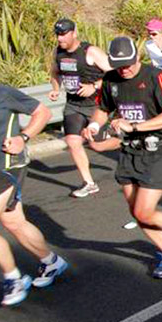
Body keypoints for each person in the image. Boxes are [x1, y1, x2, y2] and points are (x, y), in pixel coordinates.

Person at [82, 37, 162, 279]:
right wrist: (94, 126)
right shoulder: (111, 79)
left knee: (145, 211)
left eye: (128, 63)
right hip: (129, 150)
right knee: (135, 211)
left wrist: (136, 126)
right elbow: (103, 109)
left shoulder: (155, 76)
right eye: (119, 65)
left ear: (137, 57)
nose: (124, 69)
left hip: (160, 147)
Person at [0, 82, 68, 306]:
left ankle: (13, 279)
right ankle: (51, 262)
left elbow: (41, 112)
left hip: (6, 166)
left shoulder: (0, 93)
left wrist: (22, 138)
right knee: (14, 222)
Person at [48, 18, 112, 198]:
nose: (60, 39)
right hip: (73, 105)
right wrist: (55, 89)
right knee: (73, 141)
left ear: (74, 33)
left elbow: (114, 72)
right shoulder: (58, 52)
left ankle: (124, 142)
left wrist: (95, 86)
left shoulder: (90, 51)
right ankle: (89, 183)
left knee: (97, 145)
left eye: (63, 34)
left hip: (96, 105)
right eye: (58, 34)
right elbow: (55, 72)